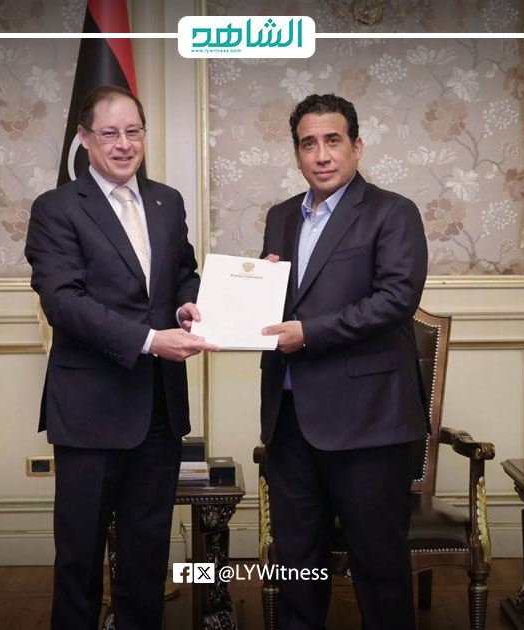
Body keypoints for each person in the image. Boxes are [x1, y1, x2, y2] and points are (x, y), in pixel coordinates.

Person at [25, 84, 216, 630]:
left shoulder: (166, 201)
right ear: (84, 138)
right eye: (109, 133)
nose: (124, 144)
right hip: (90, 410)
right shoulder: (57, 209)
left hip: (158, 409)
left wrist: (187, 304)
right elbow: (64, 302)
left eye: (133, 131)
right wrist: (151, 339)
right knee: (80, 559)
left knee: (146, 555)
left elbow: (184, 272)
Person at [259, 93, 429, 630]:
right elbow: (275, 303)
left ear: (357, 146)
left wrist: (309, 333)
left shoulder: (393, 212)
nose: (321, 154)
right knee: (296, 567)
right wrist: (242, 299)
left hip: (368, 421)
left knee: (379, 570)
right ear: (297, 153)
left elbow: (395, 299)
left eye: (333, 140)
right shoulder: (281, 217)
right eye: (308, 143)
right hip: (289, 419)